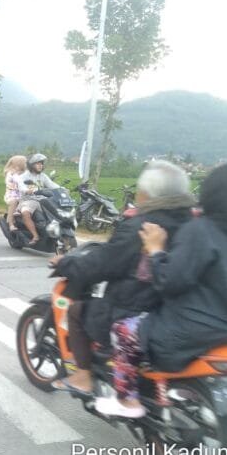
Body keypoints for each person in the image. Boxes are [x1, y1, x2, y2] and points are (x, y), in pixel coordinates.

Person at [95, 161, 227, 418]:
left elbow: (169, 282)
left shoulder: (201, 230)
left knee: (124, 330)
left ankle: (126, 400)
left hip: (191, 332)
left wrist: (156, 250)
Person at [50, 160, 194, 396]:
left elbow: (102, 264)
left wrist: (66, 262)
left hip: (132, 308)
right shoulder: (191, 223)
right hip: (172, 311)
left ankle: (83, 376)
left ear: (147, 193)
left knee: (76, 312)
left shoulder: (140, 225)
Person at [16, 153, 59, 245]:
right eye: (38, 164)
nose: (41, 166)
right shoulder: (24, 176)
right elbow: (21, 186)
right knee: (25, 212)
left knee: (56, 213)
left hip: (43, 200)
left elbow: (52, 185)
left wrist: (62, 189)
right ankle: (35, 236)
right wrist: (27, 190)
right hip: (29, 200)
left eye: (41, 164)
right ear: (32, 165)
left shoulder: (43, 176)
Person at [3, 155, 27, 231]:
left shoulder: (25, 173)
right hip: (12, 194)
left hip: (23, 194)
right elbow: (11, 184)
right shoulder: (10, 174)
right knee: (14, 202)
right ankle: (10, 223)